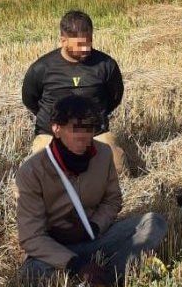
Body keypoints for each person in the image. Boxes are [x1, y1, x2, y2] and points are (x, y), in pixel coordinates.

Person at [16, 95, 167, 287]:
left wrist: (94, 227)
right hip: (56, 246)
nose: (84, 137)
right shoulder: (32, 171)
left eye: (90, 129)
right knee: (33, 273)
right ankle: (109, 271)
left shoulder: (104, 154)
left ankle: (103, 277)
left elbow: (112, 200)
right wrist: (74, 263)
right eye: (75, 129)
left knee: (154, 222)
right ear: (56, 129)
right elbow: (31, 237)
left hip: (96, 236)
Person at [22, 10, 127, 174]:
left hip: (95, 133)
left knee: (117, 168)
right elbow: (30, 100)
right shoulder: (42, 68)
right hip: (52, 135)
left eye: (89, 42)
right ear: (63, 41)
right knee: (42, 174)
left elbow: (114, 97)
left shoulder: (106, 65)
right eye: (80, 44)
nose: (86, 48)